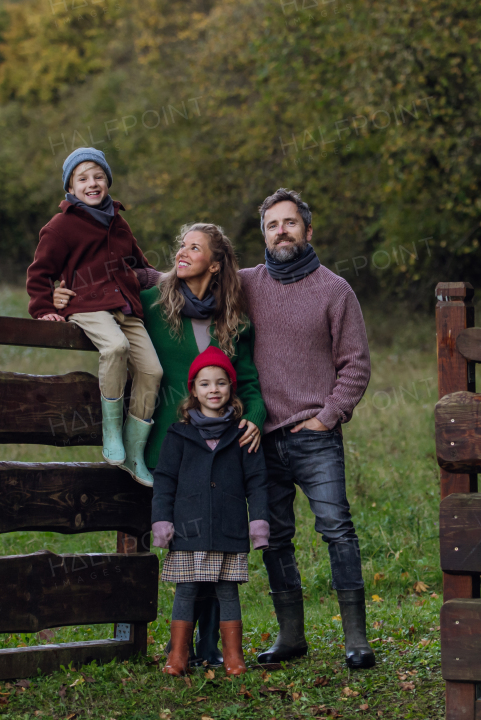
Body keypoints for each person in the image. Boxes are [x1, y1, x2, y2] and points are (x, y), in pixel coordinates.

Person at [55, 188, 375, 669]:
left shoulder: (332, 291)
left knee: (336, 528)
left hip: (306, 434)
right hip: (252, 440)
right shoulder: (247, 284)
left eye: (290, 223)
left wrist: (326, 417)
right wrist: (59, 291)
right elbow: (157, 274)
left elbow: (354, 367)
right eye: (272, 225)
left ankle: (357, 640)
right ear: (263, 234)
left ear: (309, 231)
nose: (281, 231)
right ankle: (290, 637)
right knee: (274, 537)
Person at [139, 223, 266, 667]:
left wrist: (254, 418)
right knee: (187, 549)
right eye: (181, 245)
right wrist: (58, 299)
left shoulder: (235, 321)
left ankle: (212, 649)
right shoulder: (153, 305)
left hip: (224, 446)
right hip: (171, 445)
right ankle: (172, 647)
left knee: (219, 546)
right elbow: (108, 309)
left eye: (195, 247)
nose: (183, 252)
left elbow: (248, 383)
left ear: (214, 263)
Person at [26, 147, 162, 485]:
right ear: (70, 188)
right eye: (82, 178)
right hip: (87, 306)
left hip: (125, 307)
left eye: (98, 176)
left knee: (153, 371)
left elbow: (141, 267)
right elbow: (39, 272)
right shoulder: (61, 226)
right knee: (115, 348)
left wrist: (175, 283)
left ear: (108, 181)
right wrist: (44, 307)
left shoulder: (119, 222)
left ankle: (134, 451)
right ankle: (111, 433)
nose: (92, 183)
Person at [151, 346, 269, 677]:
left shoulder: (243, 434)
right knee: (186, 590)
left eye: (220, 383)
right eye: (205, 384)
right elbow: (164, 480)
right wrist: (161, 520)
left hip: (229, 528)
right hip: (189, 529)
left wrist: (258, 522)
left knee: (227, 590)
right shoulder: (178, 434)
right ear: (193, 390)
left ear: (231, 388)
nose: (213, 390)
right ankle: (178, 655)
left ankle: (233, 655)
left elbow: (257, 481)